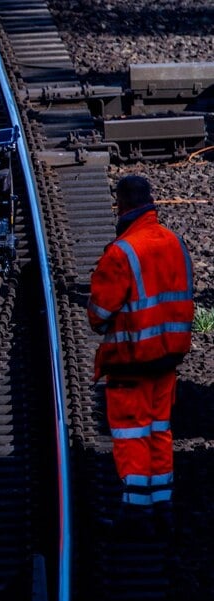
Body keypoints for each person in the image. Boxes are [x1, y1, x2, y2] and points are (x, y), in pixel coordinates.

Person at [87, 174, 194, 536]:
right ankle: (162, 503)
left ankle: (135, 510)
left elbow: (98, 315)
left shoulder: (122, 252)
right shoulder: (175, 243)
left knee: (132, 433)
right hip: (168, 359)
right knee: (159, 429)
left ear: (121, 205)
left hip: (131, 360)